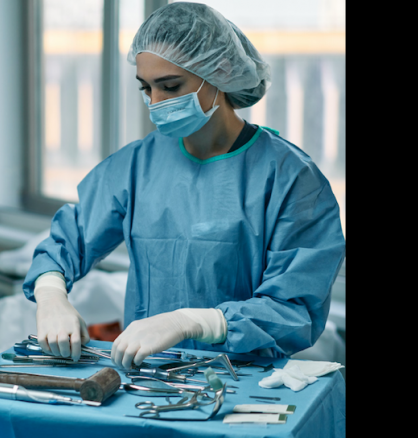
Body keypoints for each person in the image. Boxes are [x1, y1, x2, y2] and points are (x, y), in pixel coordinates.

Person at [23, 1, 345, 370]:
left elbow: (294, 308)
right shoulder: (138, 164)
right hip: (148, 374)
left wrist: (196, 322)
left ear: (221, 71)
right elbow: (69, 239)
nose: (155, 103)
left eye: (170, 86)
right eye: (146, 88)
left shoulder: (291, 179)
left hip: (243, 380)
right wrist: (51, 294)